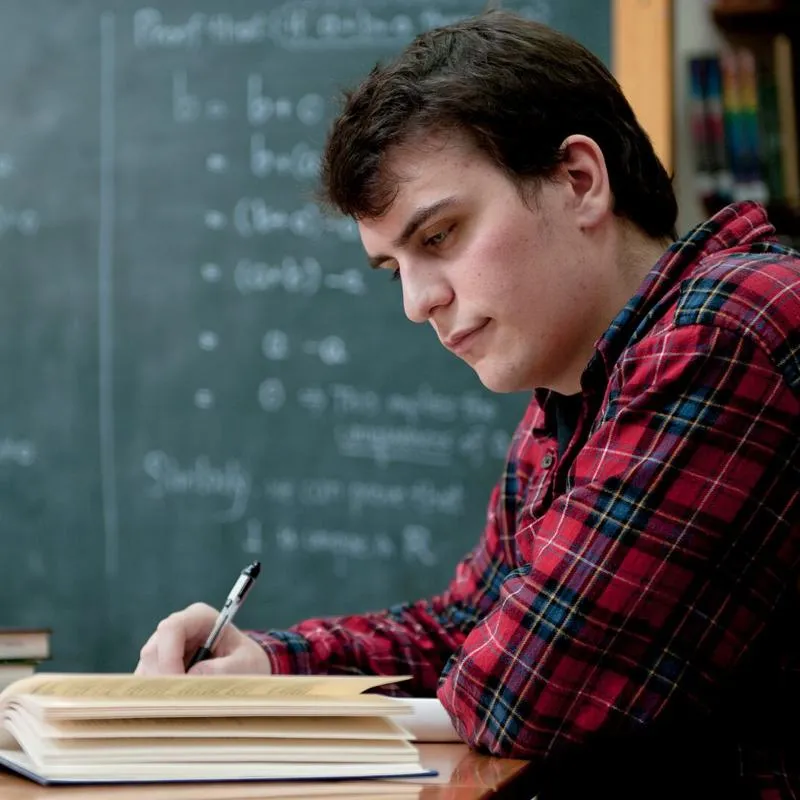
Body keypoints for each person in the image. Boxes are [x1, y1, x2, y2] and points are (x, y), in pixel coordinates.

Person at [136, 10, 800, 798]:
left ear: (578, 181)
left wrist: (455, 675)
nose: (418, 303)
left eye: (442, 235)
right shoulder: (576, 388)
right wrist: (270, 665)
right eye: (394, 269)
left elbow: (523, 692)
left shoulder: (731, 328)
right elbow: (469, 625)